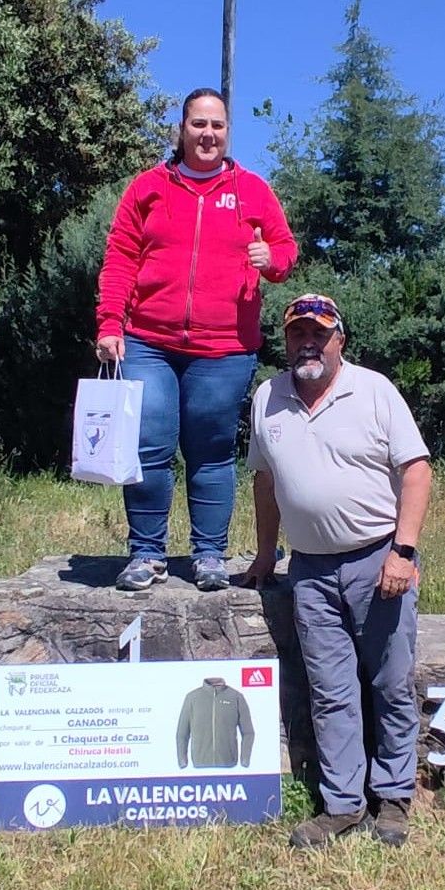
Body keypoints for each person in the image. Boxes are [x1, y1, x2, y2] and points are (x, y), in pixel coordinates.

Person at [243, 293, 432, 848]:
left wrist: (403, 552)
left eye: (319, 334)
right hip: (309, 571)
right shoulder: (267, 398)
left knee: (390, 683)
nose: (308, 343)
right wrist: (265, 553)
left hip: (378, 562)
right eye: (297, 333)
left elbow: (417, 471)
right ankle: (343, 806)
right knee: (330, 693)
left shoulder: (374, 390)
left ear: (339, 341)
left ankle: (393, 799)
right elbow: (265, 481)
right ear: (285, 341)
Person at [95, 87, 297, 592]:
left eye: (217, 125)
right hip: (148, 342)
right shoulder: (147, 188)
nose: (208, 134)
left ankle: (209, 555)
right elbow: (120, 257)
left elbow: (285, 252)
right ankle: (147, 554)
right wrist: (109, 323)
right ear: (182, 129)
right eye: (199, 124)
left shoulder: (252, 190)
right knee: (149, 445)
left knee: (211, 452)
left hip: (224, 348)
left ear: (228, 132)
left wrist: (270, 260)